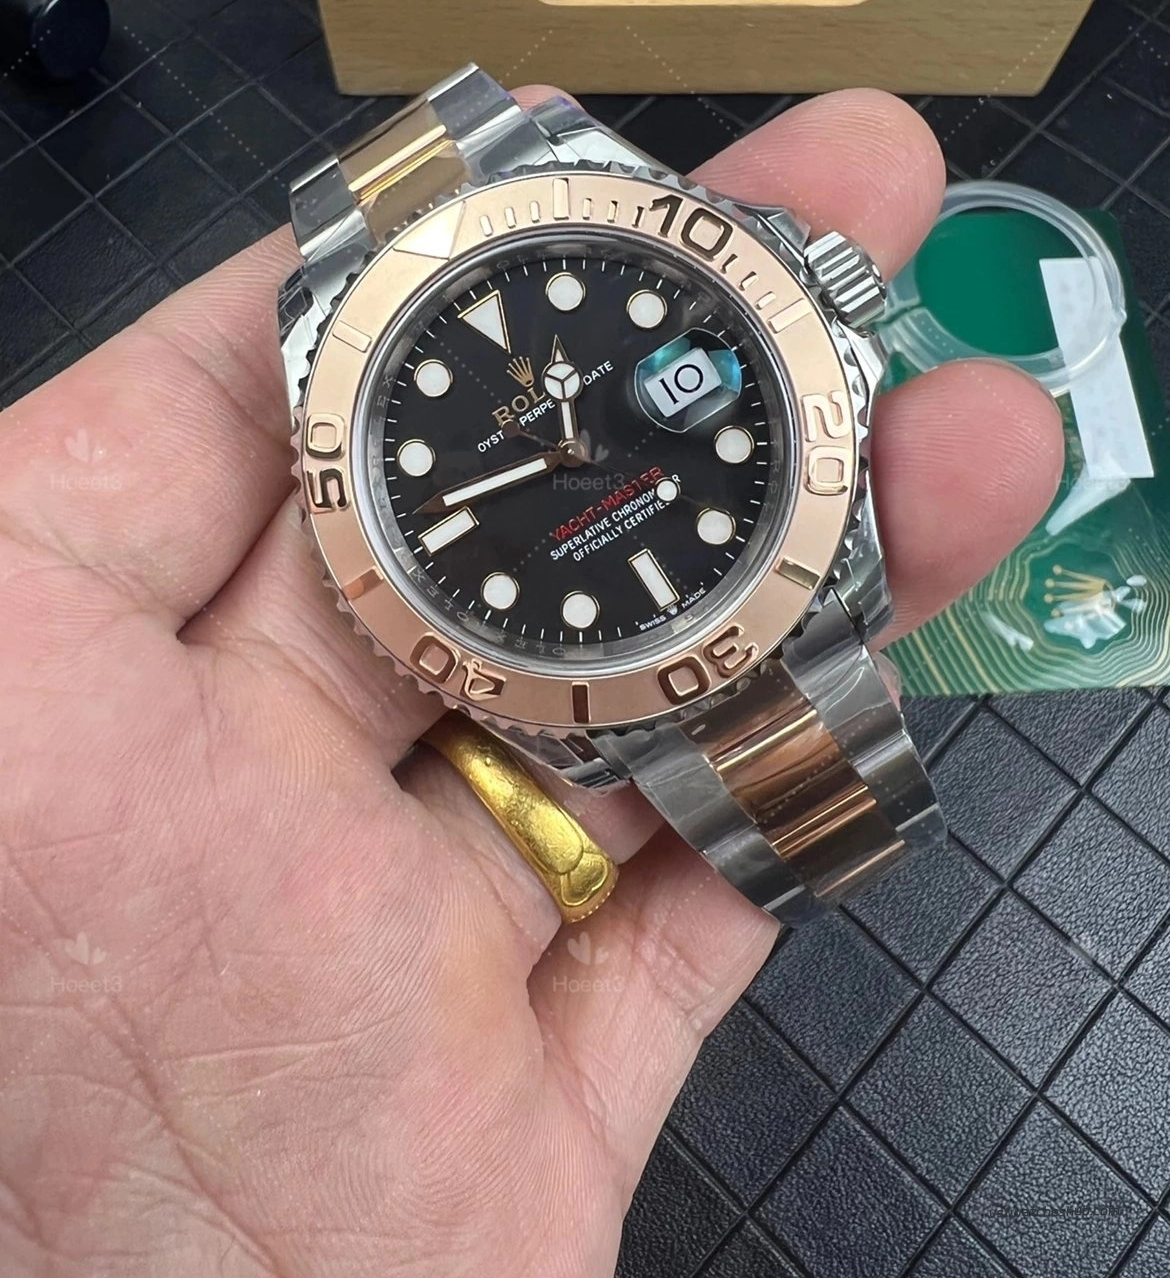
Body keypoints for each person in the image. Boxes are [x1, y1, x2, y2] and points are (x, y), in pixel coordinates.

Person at [0, 88, 1061, 1276]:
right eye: (559, 456)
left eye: (571, 446)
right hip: (599, 656)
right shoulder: (397, 528)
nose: (572, 457)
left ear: (830, 300)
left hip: (725, 576)